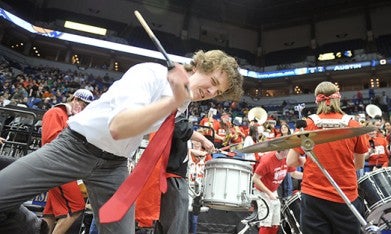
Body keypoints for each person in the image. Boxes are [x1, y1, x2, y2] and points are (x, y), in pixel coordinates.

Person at [0, 49, 244, 233]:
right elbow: (119, 127)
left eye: (218, 92)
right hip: (74, 148)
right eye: (212, 82)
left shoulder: (183, 103)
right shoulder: (150, 73)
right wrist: (171, 101)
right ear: (200, 65)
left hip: (113, 166)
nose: (212, 93)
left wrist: (177, 104)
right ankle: (37, 228)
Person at [286, 81, 368, 233]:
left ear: (317, 100)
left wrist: (308, 162)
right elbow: (359, 165)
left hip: (313, 194)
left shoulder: (306, 125)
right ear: (338, 99)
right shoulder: (354, 125)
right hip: (345, 194)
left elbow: (290, 161)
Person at [41, 88, 94, 233]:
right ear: (75, 100)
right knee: (76, 207)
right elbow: (50, 141)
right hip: (56, 166)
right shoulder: (56, 112)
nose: (84, 109)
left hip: (61, 166)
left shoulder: (73, 118)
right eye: (83, 105)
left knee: (50, 213)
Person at [252, 150, 302, 234]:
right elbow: (255, 178)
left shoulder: (286, 159)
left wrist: (307, 176)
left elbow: (293, 173)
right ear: (283, 150)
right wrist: (269, 193)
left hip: (273, 191)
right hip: (262, 192)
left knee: (275, 222)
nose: (291, 152)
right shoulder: (267, 160)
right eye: (289, 150)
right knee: (266, 222)